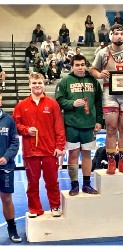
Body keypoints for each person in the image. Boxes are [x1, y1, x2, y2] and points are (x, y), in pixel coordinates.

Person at [90, 24, 123, 175]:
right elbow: (93, 69)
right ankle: (111, 161)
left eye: (121, 34)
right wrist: (100, 75)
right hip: (110, 93)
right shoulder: (103, 53)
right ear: (111, 35)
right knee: (111, 128)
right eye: (116, 33)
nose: (119, 36)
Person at [12, 72, 66, 218]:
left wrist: (60, 146)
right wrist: (26, 130)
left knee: (52, 181)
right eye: (34, 83)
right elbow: (15, 125)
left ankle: (55, 206)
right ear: (29, 85)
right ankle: (35, 209)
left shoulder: (52, 104)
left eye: (39, 83)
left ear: (43, 84)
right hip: (31, 151)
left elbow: (59, 126)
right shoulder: (21, 106)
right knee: (32, 183)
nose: (37, 86)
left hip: (49, 150)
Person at [55, 54, 103, 196]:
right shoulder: (65, 81)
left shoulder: (93, 81)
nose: (80, 67)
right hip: (71, 124)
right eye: (77, 65)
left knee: (87, 154)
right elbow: (58, 101)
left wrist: (99, 121)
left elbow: (99, 103)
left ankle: (87, 185)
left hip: (89, 124)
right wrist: (72, 103)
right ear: (72, 66)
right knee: (73, 154)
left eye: (82, 64)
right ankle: (74, 185)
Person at [0, 94, 22, 243]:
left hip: (5, 166)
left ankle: (12, 229)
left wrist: (6, 157)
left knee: (7, 199)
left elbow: (15, 143)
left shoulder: (9, 120)